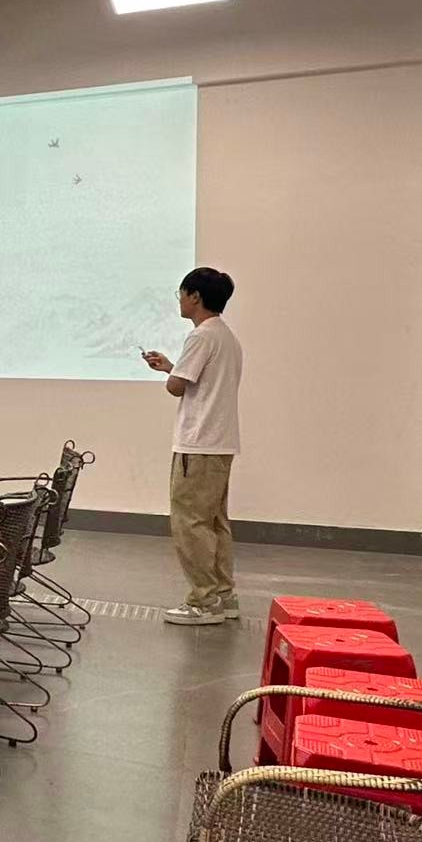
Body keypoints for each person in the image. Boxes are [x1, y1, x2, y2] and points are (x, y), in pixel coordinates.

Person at [143, 267, 244, 627]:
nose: (180, 300)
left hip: (198, 442)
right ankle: (223, 595)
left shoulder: (201, 336)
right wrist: (171, 367)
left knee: (190, 523)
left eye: (181, 293)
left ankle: (203, 600)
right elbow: (196, 380)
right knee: (214, 522)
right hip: (219, 442)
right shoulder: (226, 336)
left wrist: (171, 374)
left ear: (195, 296)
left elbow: (177, 387)